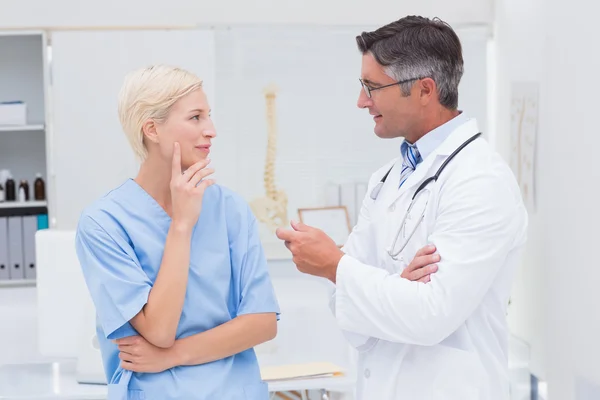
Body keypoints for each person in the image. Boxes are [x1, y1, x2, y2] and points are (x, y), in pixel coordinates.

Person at [276, 16, 528, 400]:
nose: (362, 101)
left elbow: (430, 316)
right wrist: (391, 288)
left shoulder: (480, 181)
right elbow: (351, 320)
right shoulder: (386, 179)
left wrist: (336, 266)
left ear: (425, 90)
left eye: (372, 87)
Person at [75, 65, 280, 400]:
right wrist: (181, 227)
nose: (211, 130)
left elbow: (262, 322)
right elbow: (159, 329)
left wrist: (172, 356)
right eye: (196, 117)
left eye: (209, 116)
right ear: (152, 129)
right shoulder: (103, 223)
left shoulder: (231, 209)